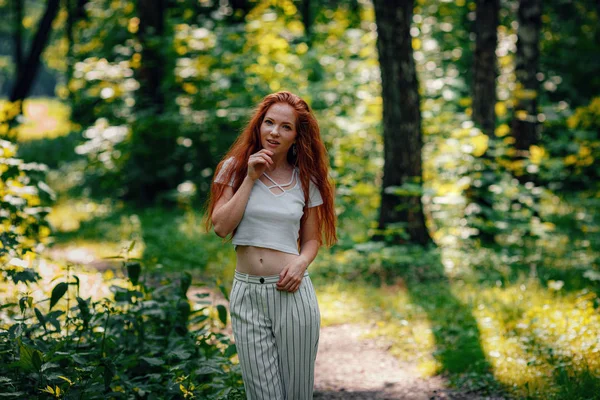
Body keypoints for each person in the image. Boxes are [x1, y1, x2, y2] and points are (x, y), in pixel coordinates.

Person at [205, 91, 337, 399]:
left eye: (285, 127)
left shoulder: (306, 181)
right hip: (247, 294)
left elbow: (312, 240)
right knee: (262, 394)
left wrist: (301, 264)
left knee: (296, 393)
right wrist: (250, 178)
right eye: (269, 123)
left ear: (297, 136)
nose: (274, 132)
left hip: (291, 293)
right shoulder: (233, 169)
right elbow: (221, 226)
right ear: (258, 125)